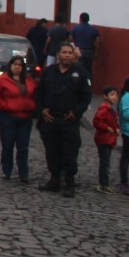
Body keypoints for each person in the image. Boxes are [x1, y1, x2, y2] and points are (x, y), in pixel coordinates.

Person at [34, 41, 92, 197]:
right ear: (58, 55)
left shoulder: (80, 73)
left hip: (69, 120)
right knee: (51, 151)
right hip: (50, 119)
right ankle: (54, 180)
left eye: (70, 53)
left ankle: (69, 183)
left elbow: (86, 97)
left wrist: (76, 112)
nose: (67, 55)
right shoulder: (49, 71)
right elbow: (39, 92)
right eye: (64, 52)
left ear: (73, 55)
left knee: (69, 152)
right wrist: (42, 109)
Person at [0, 55, 36, 183]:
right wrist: (5, 107)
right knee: (8, 145)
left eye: (20, 64)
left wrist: (33, 106)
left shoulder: (29, 80)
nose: (17, 67)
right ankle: (7, 170)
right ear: (10, 65)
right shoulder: (3, 79)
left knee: (23, 147)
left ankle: (23, 173)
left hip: (25, 118)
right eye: (15, 64)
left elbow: (35, 94)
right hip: (8, 117)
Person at [92, 87, 121, 194]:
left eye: (116, 95)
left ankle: (104, 183)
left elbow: (114, 122)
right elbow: (96, 121)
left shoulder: (111, 109)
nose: (115, 97)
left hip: (110, 138)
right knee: (105, 162)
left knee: (106, 162)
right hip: (104, 138)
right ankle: (103, 184)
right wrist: (108, 128)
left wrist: (116, 128)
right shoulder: (103, 108)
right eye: (112, 94)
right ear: (105, 96)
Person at [70, 12, 102, 82]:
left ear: (80, 19)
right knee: (88, 69)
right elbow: (97, 41)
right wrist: (96, 52)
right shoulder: (93, 29)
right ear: (88, 19)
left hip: (79, 50)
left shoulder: (75, 28)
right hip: (90, 51)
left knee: (78, 68)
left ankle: (78, 83)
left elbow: (70, 38)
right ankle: (88, 84)